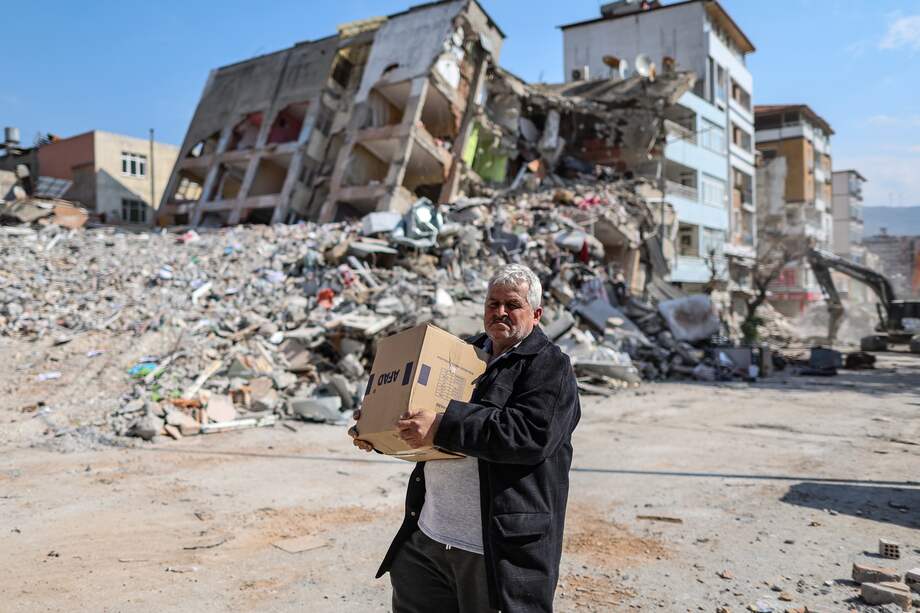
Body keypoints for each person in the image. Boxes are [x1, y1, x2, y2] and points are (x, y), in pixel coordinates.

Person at [350, 263, 581, 612]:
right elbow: (421, 408)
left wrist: (443, 426)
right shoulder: (466, 353)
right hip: (428, 534)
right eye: (492, 303)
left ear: (536, 314)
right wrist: (378, 426)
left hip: (491, 549)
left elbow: (528, 435)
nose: (500, 312)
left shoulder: (550, 367)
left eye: (512, 304)